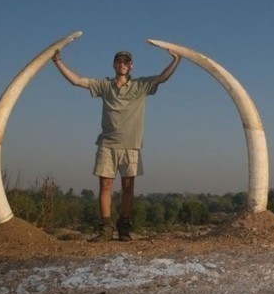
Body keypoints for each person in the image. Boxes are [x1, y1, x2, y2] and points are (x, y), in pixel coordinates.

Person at [52, 48, 181, 241]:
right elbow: (77, 81)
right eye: (119, 61)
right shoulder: (105, 85)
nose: (122, 64)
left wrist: (176, 60)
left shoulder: (141, 85)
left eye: (126, 62)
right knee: (106, 186)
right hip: (107, 144)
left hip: (131, 146)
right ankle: (105, 229)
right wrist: (57, 61)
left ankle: (124, 228)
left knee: (128, 188)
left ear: (131, 66)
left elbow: (162, 78)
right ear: (114, 65)